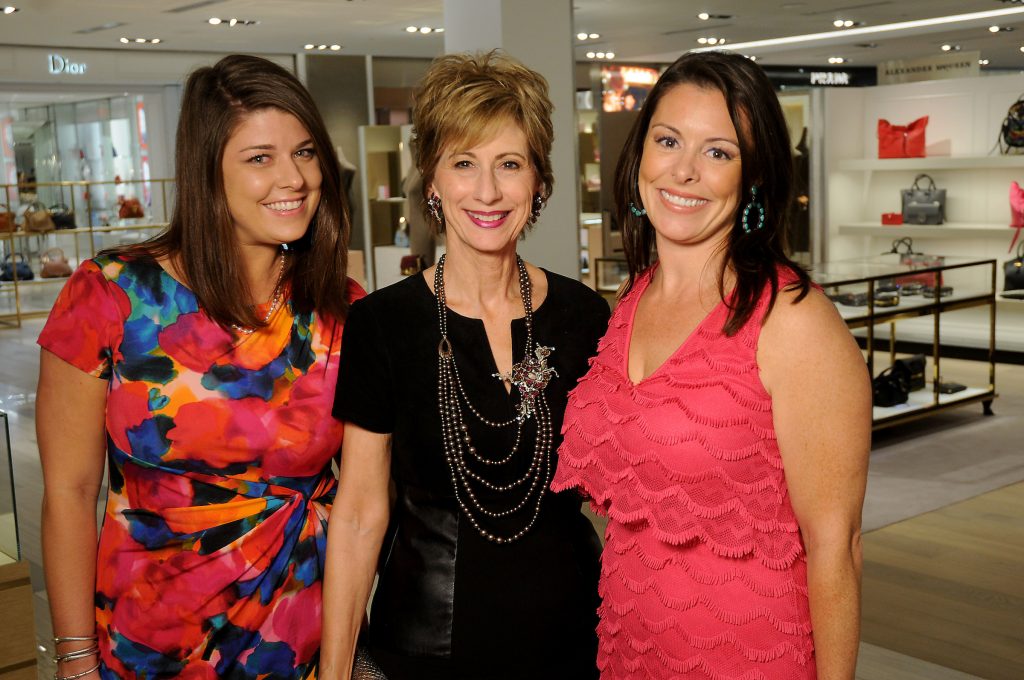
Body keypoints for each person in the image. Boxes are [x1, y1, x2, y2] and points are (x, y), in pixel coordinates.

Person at [35, 54, 360, 680]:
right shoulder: (112, 294)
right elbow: (69, 493)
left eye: (305, 152)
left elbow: (367, 502)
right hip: (147, 643)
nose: (292, 178)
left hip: (299, 645)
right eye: (259, 157)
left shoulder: (343, 311)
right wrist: (74, 655)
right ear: (208, 171)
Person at [552, 51, 871, 679]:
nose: (685, 171)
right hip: (629, 649)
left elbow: (838, 548)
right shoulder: (632, 300)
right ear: (639, 154)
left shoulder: (794, 319)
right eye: (668, 141)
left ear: (754, 179)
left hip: (748, 658)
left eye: (718, 152)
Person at [321, 51, 610, 680]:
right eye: (463, 164)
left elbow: (620, 486)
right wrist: (336, 667)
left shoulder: (584, 316)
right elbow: (361, 510)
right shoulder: (383, 324)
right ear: (431, 179)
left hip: (571, 635)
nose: (486, 191)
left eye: (509, 164)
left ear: (539, 182)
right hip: (429, 644)